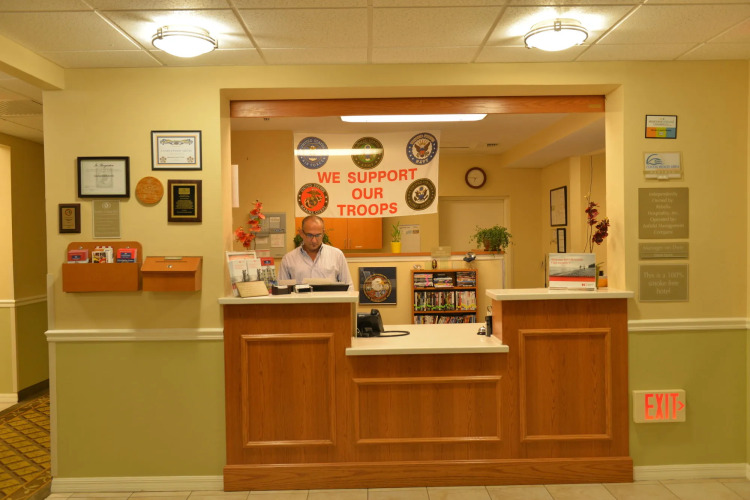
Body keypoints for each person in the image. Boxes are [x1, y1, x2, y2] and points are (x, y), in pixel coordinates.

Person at [280, 215, 353, 290]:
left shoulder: (337, 255)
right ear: (301, 233)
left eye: (318, 235)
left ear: (323, 233)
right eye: (309, 235)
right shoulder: (288, 259)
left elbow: (348, 287)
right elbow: (282, 290)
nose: (314, 240)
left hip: (330, 298)